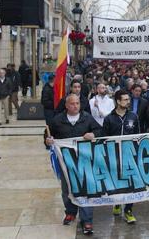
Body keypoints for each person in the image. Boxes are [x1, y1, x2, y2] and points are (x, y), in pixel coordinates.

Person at [46, 94, 101, 235]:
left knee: (85, 190)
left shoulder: (87, 117)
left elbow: (99, 130)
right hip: (66, 162)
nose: (75, 106)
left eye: (77, 103)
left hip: (84, 161)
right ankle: (70, 212)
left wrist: (93, 134)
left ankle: (87, 220)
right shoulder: (57, 120)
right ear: (66, 105)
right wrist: (48, 141)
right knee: (67, 189)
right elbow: (47, 136)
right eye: (72, 104)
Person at [102, 89, 140, 224]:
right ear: (118, 101)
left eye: (128, 99)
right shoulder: (109, 118)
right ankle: (117, 202)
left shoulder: (133, 117)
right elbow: (103, 139)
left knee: (131, 183)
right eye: (125, 100)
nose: (128, 102)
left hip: (129, 156)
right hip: (114, 156)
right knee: (117, 181)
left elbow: (137, 136)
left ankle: (128, 210)